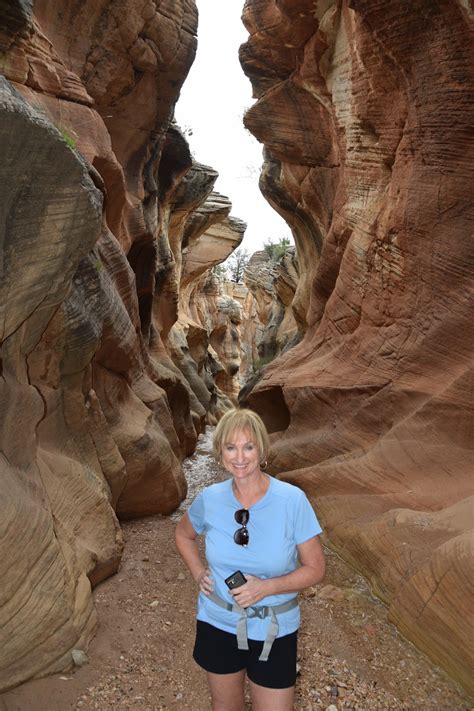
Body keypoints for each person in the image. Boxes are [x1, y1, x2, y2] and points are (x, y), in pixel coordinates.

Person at [175, 408, 325, 711]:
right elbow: (183, 534)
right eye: (230, 447)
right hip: (218, 622)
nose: (239, 456)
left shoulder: (292, 500)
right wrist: (197, 571)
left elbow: (316, 568)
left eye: (248, 446)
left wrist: (266, 587)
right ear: (220, 452)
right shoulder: (210, 498)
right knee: (225, 706)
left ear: (261, 449)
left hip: (275, 626)